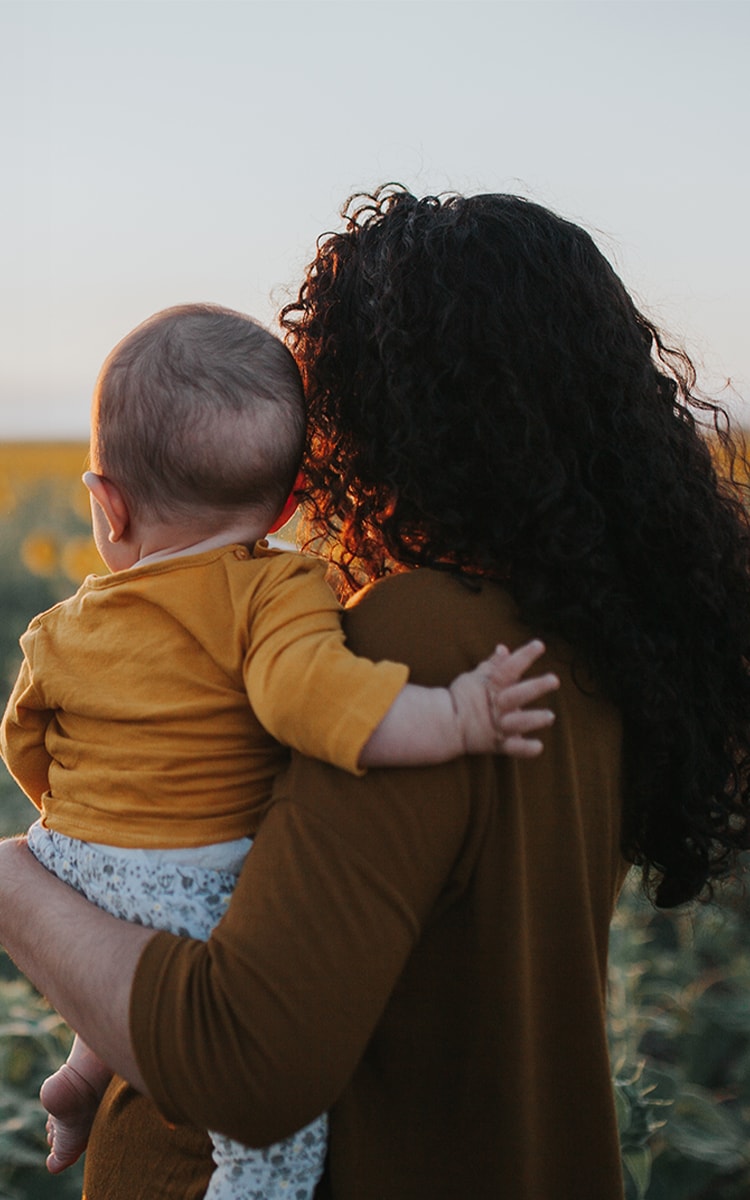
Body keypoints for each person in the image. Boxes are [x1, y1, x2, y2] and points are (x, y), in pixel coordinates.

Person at [1, 185, 750, 1200]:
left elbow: (246, 1062)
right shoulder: (588, 643)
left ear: (383, 415)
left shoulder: (421, 646)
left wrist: (13, 887)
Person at [0, 301, 558, 1197]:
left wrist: (82, 826)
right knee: (277, 1140)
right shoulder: (275, 588)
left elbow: (26, 737)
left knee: (117, 933)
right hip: (202, 881)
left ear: (106, 507)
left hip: (69, 857)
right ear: (296, 501)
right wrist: (456, 717)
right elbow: (307, 699)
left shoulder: (60, 626)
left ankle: (78, 1073)